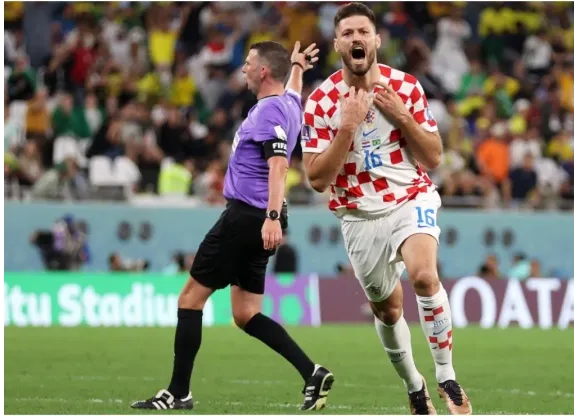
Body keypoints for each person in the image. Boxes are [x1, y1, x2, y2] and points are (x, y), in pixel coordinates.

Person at [131, 40, 334, 411]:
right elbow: (293, 89)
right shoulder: (289, 104)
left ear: (262, 72)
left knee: (190, 299)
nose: (242, 69)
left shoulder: (265, 113)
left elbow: (278, 166)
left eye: (248, 63)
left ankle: (178, 393)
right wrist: (299, 67)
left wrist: (271, 217)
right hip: (262, 217)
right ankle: (312, 372)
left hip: (248, 217)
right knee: (245, 313)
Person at [301, 3, 471, 415]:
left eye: (364, 31)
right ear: (337, 43)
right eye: (348, 33)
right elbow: (317, 179)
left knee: (425, 276)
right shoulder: (322, 103)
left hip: (410, 197)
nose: (356, 39)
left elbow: (433, 157)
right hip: (358, 215)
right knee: (387, 307)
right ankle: (415, 386)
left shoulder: (406, 88)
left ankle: (446, 376)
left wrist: (402, 116)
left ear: (376, 40)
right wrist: (348, 126)